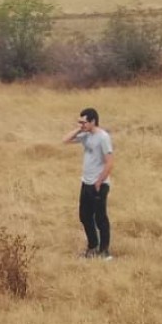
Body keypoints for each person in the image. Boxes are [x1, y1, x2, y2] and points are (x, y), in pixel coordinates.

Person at [62, 107, 115, 259]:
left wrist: (99, 182)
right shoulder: (85, 135)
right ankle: (92, 247)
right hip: (86, 182)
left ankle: (104, 252)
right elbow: (65, 140)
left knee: (100, 218)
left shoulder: (103, 137)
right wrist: (79, 129)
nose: (82, 125)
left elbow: (110, 162)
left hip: (99, 184)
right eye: (80, 122)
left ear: (93, 121)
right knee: (84, 216)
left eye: (84, 122)